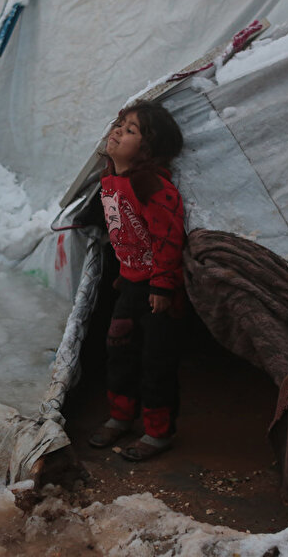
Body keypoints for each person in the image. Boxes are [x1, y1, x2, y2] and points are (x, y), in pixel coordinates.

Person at [89, 100, 186, 462]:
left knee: (155, 360)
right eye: (120, 124)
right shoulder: (108, 181)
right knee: (119, 351)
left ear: (147, 149)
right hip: (130, 284)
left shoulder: (149, 184)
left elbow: (168, 236)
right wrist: (123, 274)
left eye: (131, 131)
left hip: (158, 291)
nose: (118, 132)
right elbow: (122, 234)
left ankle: (158, 432)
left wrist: (162, 284)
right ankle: (120, 416)